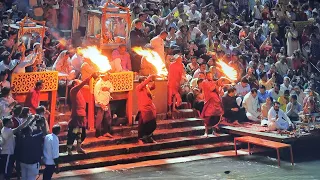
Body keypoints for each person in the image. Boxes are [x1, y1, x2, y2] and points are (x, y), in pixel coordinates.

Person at [66, 72, 99, 155]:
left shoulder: (79, 91)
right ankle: (69, 149)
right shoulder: (73, 90)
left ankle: (79, 147)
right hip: (76, 115)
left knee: (82, 133)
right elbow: (83, 83)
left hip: (82, 115)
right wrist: (90, 76)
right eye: (78, 82)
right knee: (73, 132)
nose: (79, 83)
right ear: (75, 84)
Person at [0, 115, 34, 180]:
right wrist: (27, 120)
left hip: (9, 154)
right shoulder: (7, 130)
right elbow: (19, 128)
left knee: (6, 172)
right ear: (7, 124)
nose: (12, 122)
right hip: (7, 154)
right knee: (6, 173)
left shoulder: (7, 129)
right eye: (11, 122)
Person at [201, 72, 230, 137]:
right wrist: (217, 81)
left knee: (216, 116)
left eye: (211, 75)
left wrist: (221, 87)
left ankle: (214, 131)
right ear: (206, 76)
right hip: (209, 101)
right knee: (208, 117)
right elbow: (210, 89)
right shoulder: (204, 82)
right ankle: (206, 132)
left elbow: (218, 92)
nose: (210, 77)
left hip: (216, 101)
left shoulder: (214, 82)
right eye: (209, 76)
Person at [136, 75, 157, 144]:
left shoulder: (147, 88)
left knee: (152, 124)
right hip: (143, 109)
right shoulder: (138, 88)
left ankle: (148, 137)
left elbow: (153, 87)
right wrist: (148, 78)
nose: (147, 82)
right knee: (141, 125)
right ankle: (140, 139)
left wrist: (154, 80)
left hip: (150, 108)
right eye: (145, 80)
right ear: (142, 81)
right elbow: (144, 84)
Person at [94, 73, 114, 138]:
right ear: (104, 76)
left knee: (108, 117)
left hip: (107, 103)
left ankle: (106, 132)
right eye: (107, 75)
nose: (109, 76)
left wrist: (107, 89)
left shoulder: (108, 82)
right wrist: (100, 103)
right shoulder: (98, 84)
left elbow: (112, 89)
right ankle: (98, 134)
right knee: (99, 119)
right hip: (100, 104)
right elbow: (96, 95)